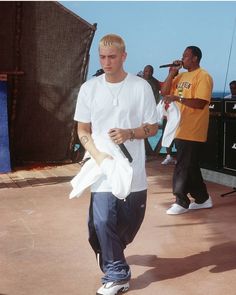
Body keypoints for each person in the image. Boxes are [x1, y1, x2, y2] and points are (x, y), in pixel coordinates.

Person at [73, 34, 158, 294]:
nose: (107, 62)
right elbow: (82, 129)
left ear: (124, 56)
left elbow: (153, 127)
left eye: (112, 56)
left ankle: (111, 251)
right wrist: (97, 156)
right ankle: (117, 273)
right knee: (101, 221)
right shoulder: (90, 88)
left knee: (128, 222)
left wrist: (129, 133)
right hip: (102, 166)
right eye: (102, 57)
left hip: (133, 170)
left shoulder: (140, 87)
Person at [161, 46, 213, 215]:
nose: (182, 58)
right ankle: (203, 198)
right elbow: (164, 91)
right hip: (179, 126)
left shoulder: (203, 76)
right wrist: (172, 73)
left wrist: (177, 98)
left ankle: (181, 201)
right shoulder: (181, 75)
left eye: (186, 56)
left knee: (183, 165)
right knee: (189, 166)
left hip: (193, 127)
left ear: (195, 58)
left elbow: (200, 103)